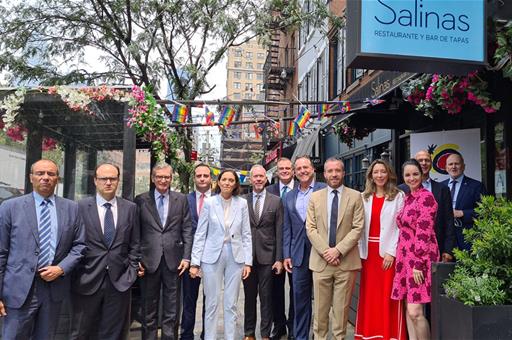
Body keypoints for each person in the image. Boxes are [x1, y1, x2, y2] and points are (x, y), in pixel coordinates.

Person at [0, 159, 86, 339]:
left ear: (57, 179)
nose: (45, 178)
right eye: (40, 173)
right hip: (18, 290)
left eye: (51, 174)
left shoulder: (72, 208)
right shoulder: (10, 208)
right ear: (31, 178)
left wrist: (61, 268)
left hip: (53, 289)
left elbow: (79, 245)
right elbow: (1, 252)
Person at [71, 163, 141, 340]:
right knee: (82, 332)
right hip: (87, 280)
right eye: (103, 179)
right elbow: (73, 242)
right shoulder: (79, 207)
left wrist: (131, 273)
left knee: (113, 333)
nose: (108, 182)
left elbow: (135, 243)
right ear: (95, 181)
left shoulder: (130, 208)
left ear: (118, 181)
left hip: (119, 282)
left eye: (113, 179)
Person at [189, 169, 252, 340]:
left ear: (235, 184)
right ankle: (209, 337)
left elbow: (246, 233)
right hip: (211, 256)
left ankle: (230, 337)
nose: (227, 183)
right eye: (224, 179)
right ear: (218, 181)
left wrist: (248, 262)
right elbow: (200, 233)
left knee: (231, 304)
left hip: (236, 256)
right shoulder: (209, 203)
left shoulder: (242, 203)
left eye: (231, 180)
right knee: (212, 302)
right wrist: (195, 262)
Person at [305, 157, 364, 340]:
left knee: (341, 314)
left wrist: (337, 250)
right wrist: (327, 252)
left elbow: (358, 227)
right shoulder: (315, 197)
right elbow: (311, 228)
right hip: (321, 262)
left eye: (337, 170)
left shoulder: (355, 196)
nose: (334, 174)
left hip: (345, 262)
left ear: (344, 173)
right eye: (330, 171)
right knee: (320, 314)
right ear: (324, 174)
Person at [135, 162, 193, 340]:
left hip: (174, 261)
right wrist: (136, 258)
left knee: (172, 308)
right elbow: (135, 231)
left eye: (167, 177)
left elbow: (187, 229)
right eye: (159, 177)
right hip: (148, 261)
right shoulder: (141, 200)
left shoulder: (181, 199)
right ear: (153, 179)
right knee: (148, 308)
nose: (163, 180)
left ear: (171, 178)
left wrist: (187, 257)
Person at [355, 160, 406, 340]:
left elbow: (401, 227)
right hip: (367, 254)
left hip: (387, 254)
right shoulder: (364, 197)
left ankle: (389, 334)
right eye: (376, 172)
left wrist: (392, 252)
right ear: (370, 176)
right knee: (369, 297)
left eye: (383, 172)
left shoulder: (398, 196)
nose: (379, 175)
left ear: (389, 174)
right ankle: (368, 334)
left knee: (387, 295)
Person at [392, 159, 439, 340]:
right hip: (405, 258)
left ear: (422, 174)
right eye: (407, 175)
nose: (412, 178)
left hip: (419, 258)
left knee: (415, 311)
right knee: (407, 309)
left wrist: (418, 262)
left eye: (415, 174)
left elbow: (424, 232)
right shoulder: (408, 197)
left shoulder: (426, 197)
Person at [282, 156, 326, 340]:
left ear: (313, 169)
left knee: (322, 301)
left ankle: (319, 336)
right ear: (294, 172)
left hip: (322, 253)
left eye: (305, 167)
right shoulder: (289, 195)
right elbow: (287, 227)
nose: (302, 171)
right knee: (300, 301)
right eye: (298, 168)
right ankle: (301, 337)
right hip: (297, 255)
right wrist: (286, 255)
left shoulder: (324, 189)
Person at [243, 165, 284, 340]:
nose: (258, 179)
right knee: (249, 297)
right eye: (255, 177)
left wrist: (279, 259)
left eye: (261, 176)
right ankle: (249, 333)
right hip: (247, 258)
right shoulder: (242, 200)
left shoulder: (276, 201)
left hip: (268, 258)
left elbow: (279, 231)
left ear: (266, 179)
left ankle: (265, 334)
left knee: (266, 298)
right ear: (250, 179)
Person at [399, 150, 456, 261]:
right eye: (420, 160)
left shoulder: (442, 189)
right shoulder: (401, 190)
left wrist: (448, 249)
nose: (424, 163)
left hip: (435, 246)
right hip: (407, 249)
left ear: (431, 164)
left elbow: (449, 220)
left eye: (427, 160)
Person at [180, 163, 212, 340]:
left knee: (210, 301)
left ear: (211, 178)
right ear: (194, 178)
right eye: (199, 175)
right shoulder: (185, 200)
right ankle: (186, 335)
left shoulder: (218, 199)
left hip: (213, 259)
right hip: (190, 258)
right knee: (189, 300)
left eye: (205, 176)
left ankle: (207, 334)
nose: (202, 179)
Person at [266, 157, 296, 339]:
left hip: (294, 248)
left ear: (293, 171)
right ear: (277, 172)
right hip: (274, 248)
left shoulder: (302, 189)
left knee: (296, 290)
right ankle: (279, 325)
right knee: (275, 290)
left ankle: (294, 325)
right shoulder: (269, 191)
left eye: (287, 168)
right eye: (281, 168)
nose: (284, 171)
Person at [441, 153, 486, 251]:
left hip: (467, 240)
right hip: (445, 240)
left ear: (463, 166)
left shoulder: (476, 186)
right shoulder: (440, 187)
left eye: (457, 164)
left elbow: (485, 212)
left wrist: (462, 213)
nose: (453, 167)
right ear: (446, 168)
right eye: (450, 164)